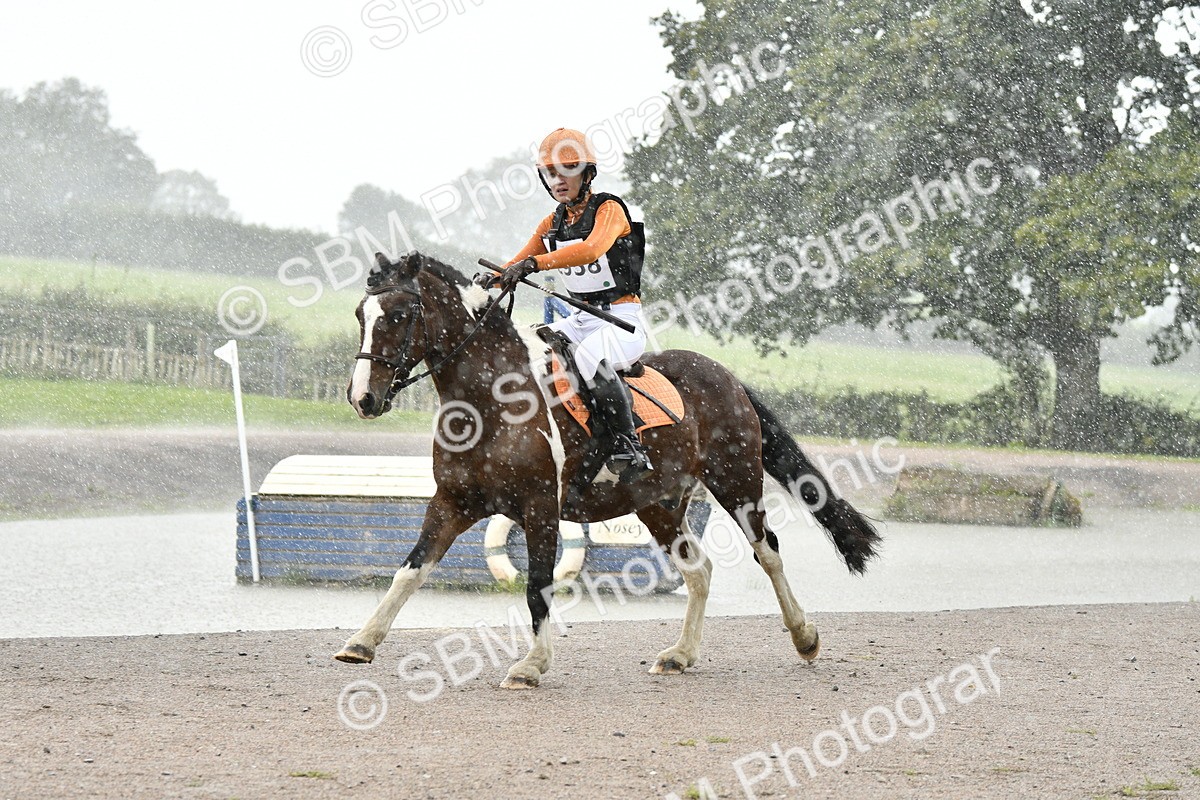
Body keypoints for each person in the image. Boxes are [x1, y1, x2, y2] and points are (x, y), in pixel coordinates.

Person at [486, 128, 652, 483]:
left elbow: (591, 249)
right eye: (551, 174)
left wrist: (536, 264)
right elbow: (518, 261)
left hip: (621, 320)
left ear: (587, 174)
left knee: (591, 357)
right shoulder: (552, 224)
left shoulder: (609, 209)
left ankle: (629, 443)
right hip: (579, 319)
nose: (558, 181)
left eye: (567, 171)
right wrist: (489, 281)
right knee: (528, 350)